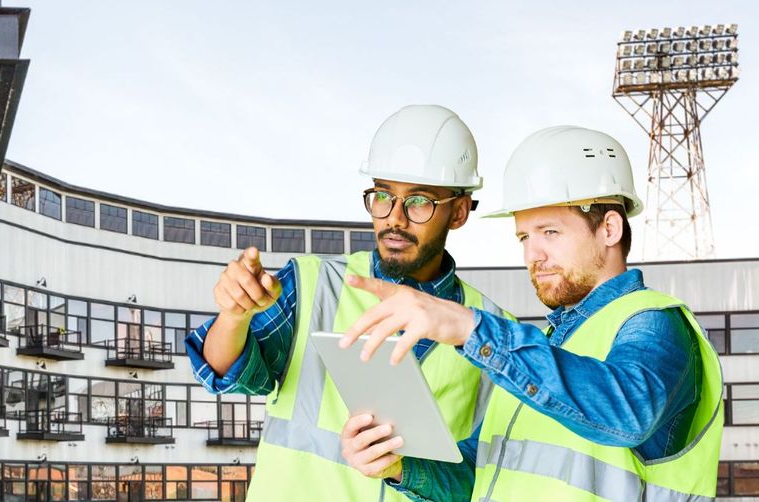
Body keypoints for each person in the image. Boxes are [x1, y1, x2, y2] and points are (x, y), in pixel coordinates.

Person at [338, 125, 723, 501]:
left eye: (550, 232)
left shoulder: (653, 322)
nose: (532, 255)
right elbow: (478, 475)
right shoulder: (544, 352)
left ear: (609, 229)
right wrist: (400, 468)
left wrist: (467, 327)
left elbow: (628, 413)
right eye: (524, 237)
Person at [184, 105, 513, 501]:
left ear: (458, 212)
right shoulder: (313, 284)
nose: (395, 219)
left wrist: (405, 470)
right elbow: (226, 374)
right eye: (382, 196)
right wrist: (234, 316)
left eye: (420, 201)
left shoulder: (493, 330)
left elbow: (480, 480)